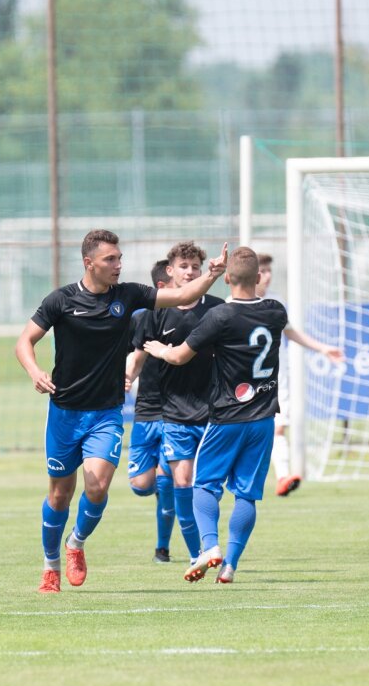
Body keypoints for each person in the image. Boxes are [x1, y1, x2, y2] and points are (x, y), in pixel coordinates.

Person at [16, 230, 228, 594]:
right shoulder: (61, 300)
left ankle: (76, 544)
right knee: (59, 495)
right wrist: (35, 372)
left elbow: (182, 294)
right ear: (89, 263)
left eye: (119, 258)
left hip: (106, 414)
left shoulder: (129, 295)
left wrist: (212, 274)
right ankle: (50, 565)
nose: (118, 265)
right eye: (110, 260)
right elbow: (25, 341)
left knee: (97, 486)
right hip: (64, 413)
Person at [145, 246, 342, 584]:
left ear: (228, 278)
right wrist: (321, 347)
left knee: (204, 486)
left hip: (226, 418)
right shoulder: (275, 311)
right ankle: (230, 565)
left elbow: (179, 357)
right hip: (264, 419)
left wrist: (161, 350)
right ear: (259, 278)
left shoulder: (220, 316)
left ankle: (210, 547)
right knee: (247, 494)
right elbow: (288, 331)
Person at [130, 242, 224, 566]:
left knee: (201, 484)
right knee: (157, 484)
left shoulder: (216, 308)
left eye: (195, 267)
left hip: (212, 412)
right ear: (170, 271)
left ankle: (201, 549)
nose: (190, 271)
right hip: (169, 412)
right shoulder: (155, 312)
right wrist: (126, 378)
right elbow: (139, 354)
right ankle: (198, 553)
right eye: (184, 266)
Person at [125, 259, 176, 563]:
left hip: (178, 412)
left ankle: (163, 548)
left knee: (168, 481)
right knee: (142, 486)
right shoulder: (145, 319)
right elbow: (136, 355)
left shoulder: (198, 314)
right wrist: (128, 377)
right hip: (147, 410)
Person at [255, 252, 301, 497]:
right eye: (263, 270)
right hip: (248, 382)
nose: (268, 275)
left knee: (278, 428)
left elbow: (291, 333)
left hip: (278, 378)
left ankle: (283, 477)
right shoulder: (233, 303)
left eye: (270, 270)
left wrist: (323, 348)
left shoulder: (277, 302)